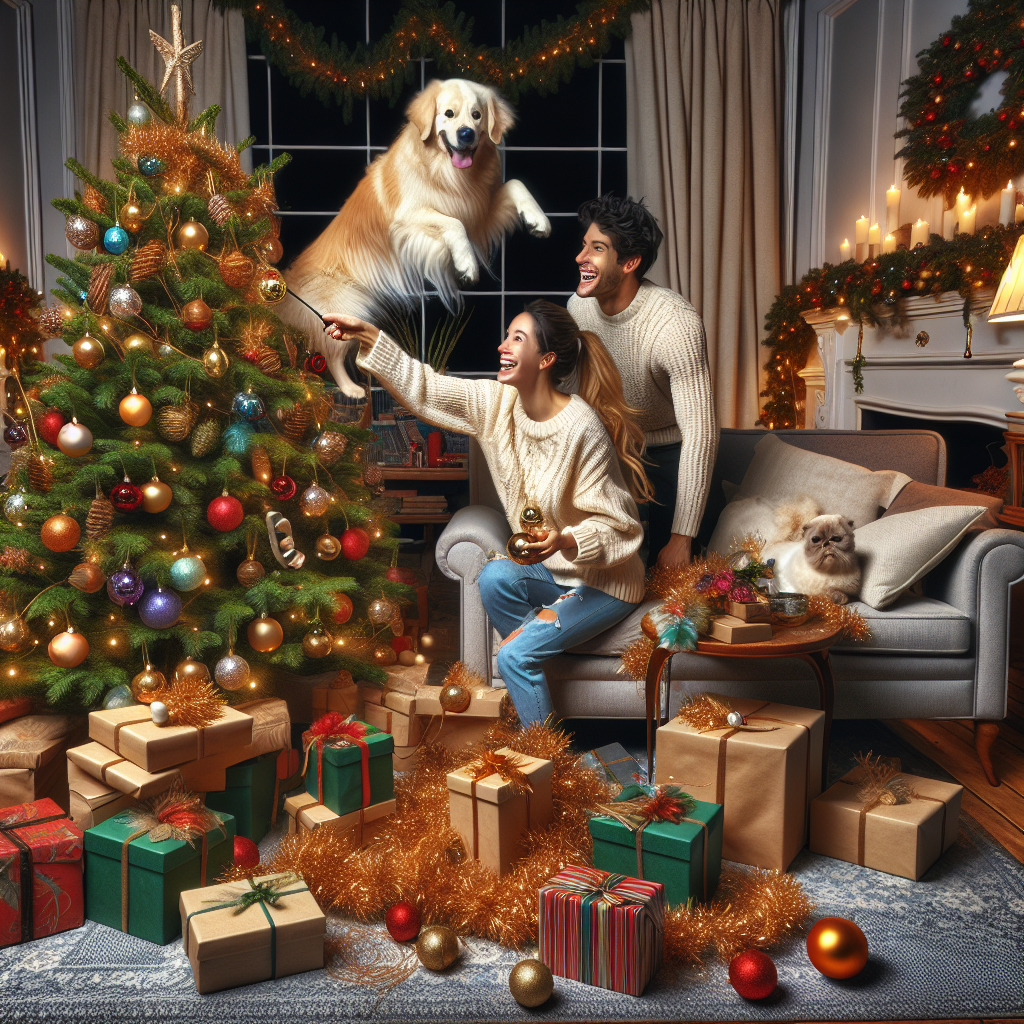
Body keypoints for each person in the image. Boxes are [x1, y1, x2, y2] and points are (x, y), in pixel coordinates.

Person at [322, 301, 652, 727]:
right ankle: (537, 658)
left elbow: (620, 529)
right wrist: (367, 335)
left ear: (546, 359)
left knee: (513, 654)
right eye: (507, 335)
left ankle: (544, 755)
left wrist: (565, 539)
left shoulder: (581, 428)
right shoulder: (497, 404)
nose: (502, 345)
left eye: (518, 338)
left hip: (603, 582)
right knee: (495, 576)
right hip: (552, 575)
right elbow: (426, 387)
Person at [568, 194, 717, 567]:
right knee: (609, 567)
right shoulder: (578, 308)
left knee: (675, 571)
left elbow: (702, 432)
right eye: (584, 245)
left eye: (596, 248)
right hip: (613, 447)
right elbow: (573, 395)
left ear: (630, 262)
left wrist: (683, 538)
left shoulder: (674, 322)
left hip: (673, 453)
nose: (580, 258)